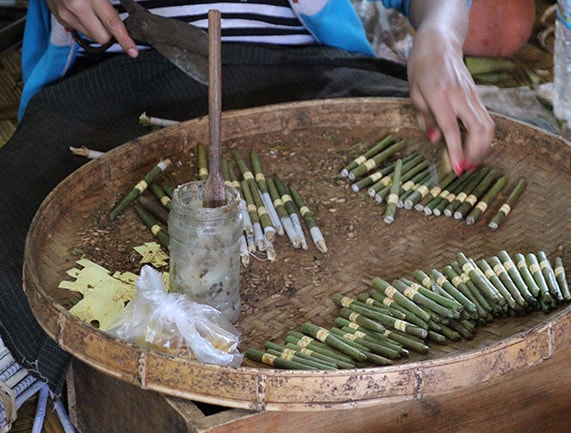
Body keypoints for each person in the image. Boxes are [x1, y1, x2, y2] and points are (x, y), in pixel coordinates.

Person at [0, 0, 531, 404]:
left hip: (308, 76)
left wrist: (440, 35)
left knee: (465, 177)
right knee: (35, 229)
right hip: (122, 83)